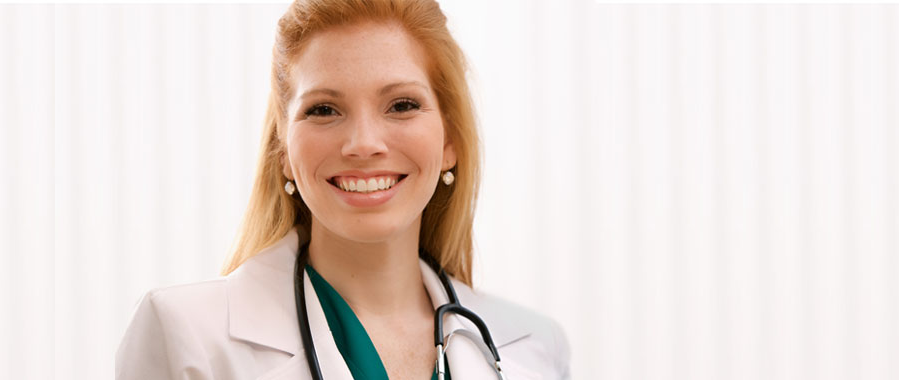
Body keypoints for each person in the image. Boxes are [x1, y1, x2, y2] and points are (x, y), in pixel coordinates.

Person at [115, 1, 570, 379]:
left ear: (449, 140)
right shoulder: (184, 337)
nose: (364, 144)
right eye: (324, 109)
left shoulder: (535, 350)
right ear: (283, 151)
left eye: (402, 105)